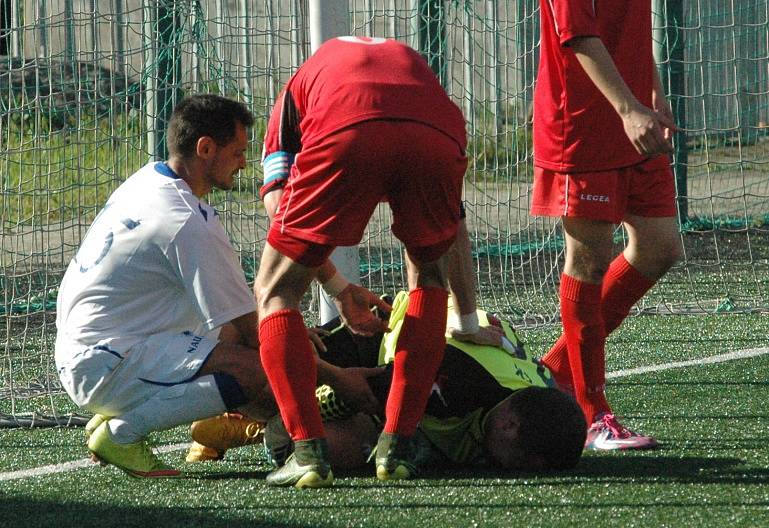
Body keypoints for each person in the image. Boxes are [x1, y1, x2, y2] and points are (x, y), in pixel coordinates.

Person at [55, 93, 381, 478]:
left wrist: (319, 306)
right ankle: (123, 431)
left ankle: (195, 420)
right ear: (205, 148)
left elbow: (239, 322)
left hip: (100, 345)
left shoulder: (150, 181)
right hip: (105, 362)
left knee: (247, 339)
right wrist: (339, 378)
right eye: (238, 151)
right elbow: (257, 335)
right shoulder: (184, 223)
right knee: (261, 366)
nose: (244, 162)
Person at [253, 35, 503, 488]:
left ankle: (307, 452)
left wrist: (335, 286)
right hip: (437, 129)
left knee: (275, 290)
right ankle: (399, 448)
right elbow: (455, 230)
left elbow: (279, 206)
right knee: (427, 277)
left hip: (347, 127)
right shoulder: (414, 72)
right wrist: (466, 322)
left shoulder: (293, 92)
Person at [529, 0, 682, 450]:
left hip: (633, 111)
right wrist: (624, 107)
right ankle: (590, 413)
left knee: (657, 247)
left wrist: (652, 91)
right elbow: (578, 35)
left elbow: (630, 15)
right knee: (586, 256)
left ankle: (556, 369)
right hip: (583, 122)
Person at [188, 292, 587, 474]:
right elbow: (356, 391)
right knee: (259, 368)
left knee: (371, 448)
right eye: (526, 466)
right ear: (508, 425)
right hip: (380, 347)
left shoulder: (542, 404)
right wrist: (296, 416)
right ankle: (252, 422)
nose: (525, 474)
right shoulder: (453, 387)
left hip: (438, 343)